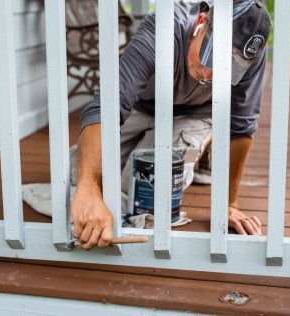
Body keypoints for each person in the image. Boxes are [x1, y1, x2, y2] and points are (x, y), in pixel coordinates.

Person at [71, 0, 271, 250]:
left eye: (226, 68)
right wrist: (88, 186)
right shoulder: (165, 26)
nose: (209, 74)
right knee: (76, 178)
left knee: (147, 193)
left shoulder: (252, 52)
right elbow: (109, 102)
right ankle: (195, 149)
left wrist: (229, 205)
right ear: (200, 23)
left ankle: (200, 141)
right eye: (211, 55)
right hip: (141, 106)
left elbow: (241, 125)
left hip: (196, 114)